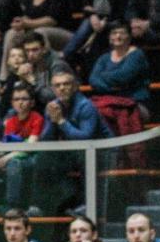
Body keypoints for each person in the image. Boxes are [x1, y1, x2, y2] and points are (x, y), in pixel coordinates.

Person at [32, 71, 112, 215]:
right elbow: (46, 140)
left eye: (66, 84)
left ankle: (87, 204)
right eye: (57, 85)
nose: (62, 88)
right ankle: (41, 205)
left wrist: (61, 122)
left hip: (101, 152)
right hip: (73, 151)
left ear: (75, 86)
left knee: (83, 155)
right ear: (53, 89)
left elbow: (85, 139)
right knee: (44, 157)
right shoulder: (53, 107)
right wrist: (52, 120)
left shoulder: (86, 106)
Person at [0, 0, 73, 80]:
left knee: (39, 33)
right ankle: (6, 77)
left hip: (62, 33)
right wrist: (20, 22)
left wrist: (27, 23)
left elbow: (51, 20)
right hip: (36, 30)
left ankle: (41, 75)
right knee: (11, 34)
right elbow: (28, 15)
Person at [0, 82, 42, 215]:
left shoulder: (37, 119)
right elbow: (4, 145)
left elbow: (30, 146)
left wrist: (7, 157)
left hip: (31, 159)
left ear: (32, 102)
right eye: (17, 99)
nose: (20, 103)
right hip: (12, 157)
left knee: (13, 163)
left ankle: (11, 207)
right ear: (12, 103)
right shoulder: (10, 121)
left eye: (24, 99)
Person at [62, 0, 129, 73]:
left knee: (111, 29)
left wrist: (105, 21)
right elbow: (85, 6)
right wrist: (93, 16)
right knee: (87, 24)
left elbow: (120, 10)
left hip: (113, 19)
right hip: (94, 19)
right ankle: (67, 53)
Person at [89, 21, 151, 122]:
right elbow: (93, 79)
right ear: (110, 38)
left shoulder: (137, 55)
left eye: (122, 33)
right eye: (114, 33)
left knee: (110, 114)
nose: (118, 36)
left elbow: (123, 76)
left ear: (129, 37)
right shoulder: (104, 58)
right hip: (109, 101)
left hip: (135, 103)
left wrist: (103, 76)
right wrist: (113, 89)